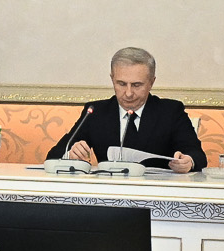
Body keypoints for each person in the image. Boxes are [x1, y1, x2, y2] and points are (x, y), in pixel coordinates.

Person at [52, 46, 205, 171]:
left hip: (157, 193)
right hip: (109, 193)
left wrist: (188, 161)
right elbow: (54, 155)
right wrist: (70, 155)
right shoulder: (96, 112)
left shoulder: (170, 111)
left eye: (137, 85)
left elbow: (197, 155)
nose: (129, 93)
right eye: (121, 84)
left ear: (151, 82)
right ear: (112, 79)